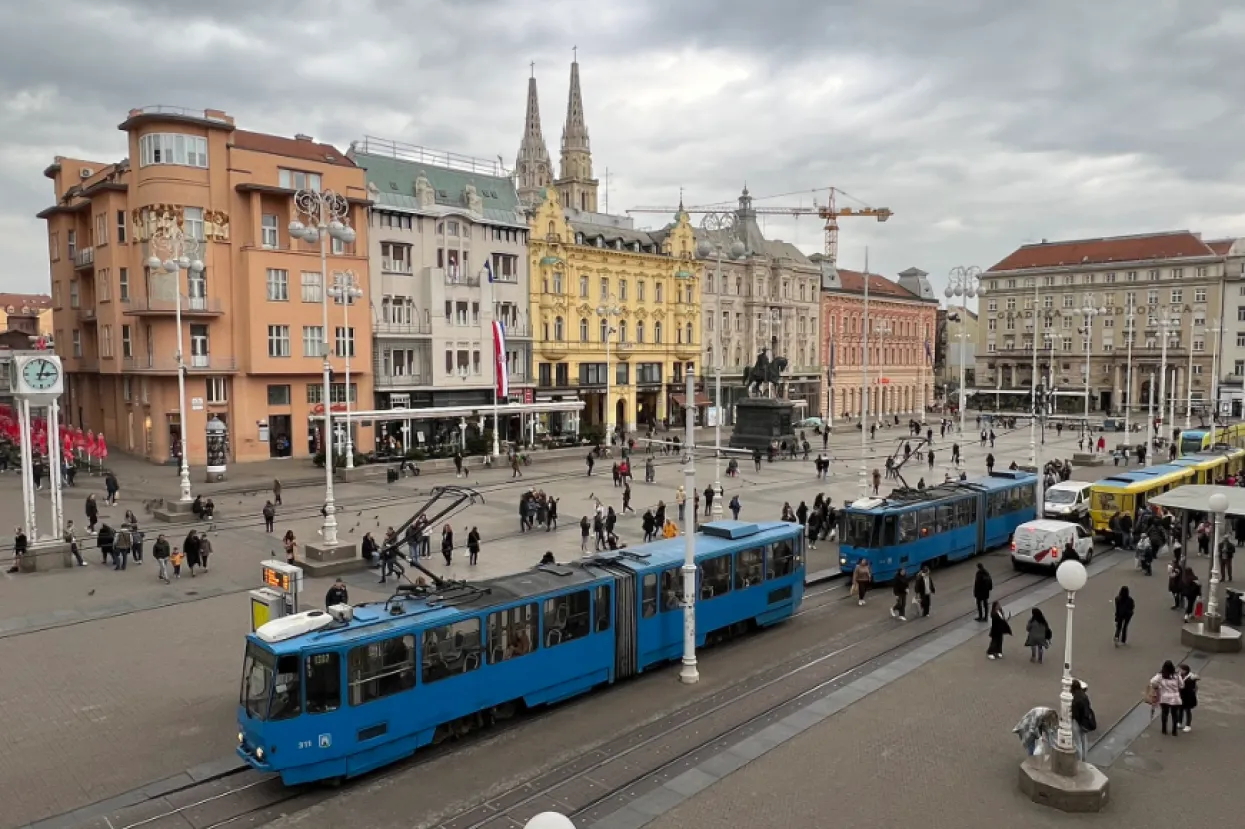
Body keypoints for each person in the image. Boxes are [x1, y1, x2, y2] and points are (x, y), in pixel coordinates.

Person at [1148, 660, 1185, 736]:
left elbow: (1152, 682)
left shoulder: (1160, 676)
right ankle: (1174, 731)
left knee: (1164, 714)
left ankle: (1164, 729)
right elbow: (1182, 685)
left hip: (1164, 697)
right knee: (1175, 715)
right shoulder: (1177, 676)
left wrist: (1158, 686)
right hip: (1175, 697)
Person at [1070, 680, 1096, 759]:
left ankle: (1080, 760)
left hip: (1077, 722)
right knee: (1084, 740)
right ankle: (1085, 758)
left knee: (1077, 742)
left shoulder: (1075, 699)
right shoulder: (1084, 696)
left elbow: (1075, 713)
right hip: (1085, 721)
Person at [1178, 663, 1199, 732]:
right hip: (1181, 695)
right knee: (1180, 709)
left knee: (1187, 711)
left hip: (1189, 696)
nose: (1180, 670)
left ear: (1185, 670)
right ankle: (1179, 722)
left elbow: (1195, 685)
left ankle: (1188, 725)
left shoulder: (1191, 677)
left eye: (1181, 669)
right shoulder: (1179, 676)